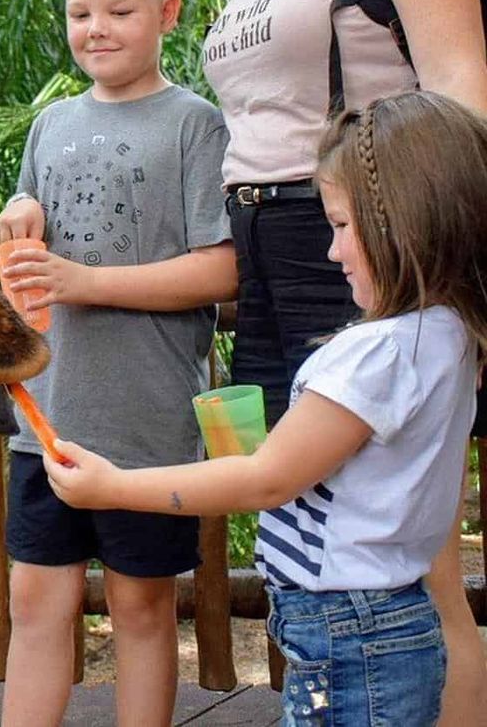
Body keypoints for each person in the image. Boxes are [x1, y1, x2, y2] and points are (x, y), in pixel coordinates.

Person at [196, 0, 487, 720]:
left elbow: (460, 97)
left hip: (368, 248)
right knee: (297, 532)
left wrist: (409, 268)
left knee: (409, 556)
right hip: (267, 256)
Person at [44, 91, 487, 727]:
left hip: (348, 631)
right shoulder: (449, 335)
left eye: (340, 226)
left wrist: (113, 486)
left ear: (404, 223)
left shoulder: (376, 356)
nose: (332, 252)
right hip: (395, 619)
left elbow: (267, 478)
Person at [0, 0, 236, 727]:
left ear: (167, 13)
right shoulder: (50, 124)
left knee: (141, 609)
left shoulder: (194, 123)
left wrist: (85, 280)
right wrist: (18, 213)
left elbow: (221, 268)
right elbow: (30, 223)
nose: (96, 28)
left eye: (119, 11)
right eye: (80, 12)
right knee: (35, 603)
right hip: (46, 418)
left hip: (146, 425)